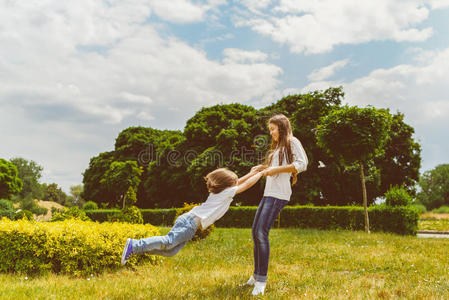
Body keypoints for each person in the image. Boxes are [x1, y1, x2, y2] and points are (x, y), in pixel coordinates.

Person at [121, 167, 263, 265]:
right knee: (168, 242)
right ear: (227, 185)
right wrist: (261, 174)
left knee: (170, 251)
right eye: (233, 182)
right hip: (189, 223)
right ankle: (134, 245)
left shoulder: (221, 191)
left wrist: (252, 172)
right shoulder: (226, 192)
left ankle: (137, 250)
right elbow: (245, 185)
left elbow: (239, 182)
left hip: (189, 223)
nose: (236, 183)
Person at [246, 114, 308, 296]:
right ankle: (256, 276)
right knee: (255, 232)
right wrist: (261, 168)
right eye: (270, 129)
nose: (271, 132)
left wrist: (274, 169)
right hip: (268, 194)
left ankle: (261, 282)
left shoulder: (292, 141)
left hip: (279, 194)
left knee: (261, 233)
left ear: (281, 127)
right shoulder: (279, 147)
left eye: (273, 129)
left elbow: (302, 164)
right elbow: (274, 169)